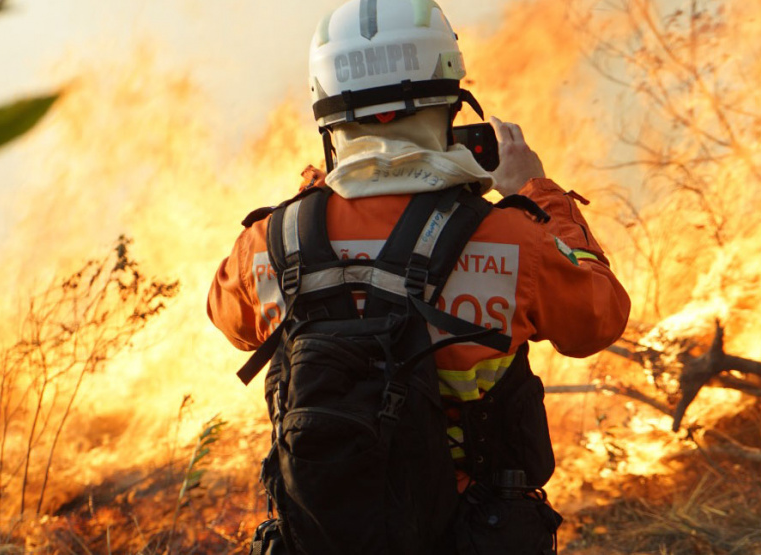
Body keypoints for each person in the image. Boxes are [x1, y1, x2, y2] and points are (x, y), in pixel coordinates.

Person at [207, 0, 630, 553]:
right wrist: (536, 192)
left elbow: (234, 323)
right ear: (452, 101)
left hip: (325, 535)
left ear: (329, 116)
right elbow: (598, 320)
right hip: (473, 532)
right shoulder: (512, 237)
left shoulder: (270, 242)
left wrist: (317, 206)